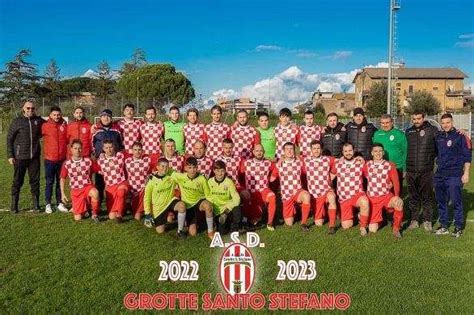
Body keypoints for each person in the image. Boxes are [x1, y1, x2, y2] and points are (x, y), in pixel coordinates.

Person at [434, 113, 471, 238]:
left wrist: (466, 173)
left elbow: (467, 156)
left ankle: (458, 227)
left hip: (455, 174)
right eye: (443, 123)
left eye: (448, 122)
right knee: (441, 201)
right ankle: (444, 226)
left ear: (452, 122)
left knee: (456, 201)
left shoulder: (460, 136)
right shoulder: (438, 136)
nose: (445, 125)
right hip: (440, 174)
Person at [7, 100, 44, 213]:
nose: (30, 110)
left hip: (34, 158)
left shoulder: (39, 121)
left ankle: (36, 205)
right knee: (17, 181)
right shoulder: (17, 122)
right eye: (28, 108)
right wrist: (10, 155)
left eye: (32, 108)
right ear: (23, 108)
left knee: (35, 181)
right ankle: (14, 205)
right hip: (20, 157)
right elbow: (9, 139)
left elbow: (52, 123)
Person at [405, 111, 438, 232]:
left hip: (426, 170)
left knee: (427, 197)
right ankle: (414, 220)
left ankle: (427, 221)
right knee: (413, 197)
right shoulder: (408, 132)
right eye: (414, 119)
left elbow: (440, 145)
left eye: (418, 118)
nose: (416, 121)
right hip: (411, 170)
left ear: (423, 118)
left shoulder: (432, 130)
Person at [363, 143, 404, 238]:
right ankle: (380, 220)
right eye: (376, 151)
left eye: (380, 151)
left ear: (383, 152)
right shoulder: (367, 165)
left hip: (386, 196)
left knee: (399, 203)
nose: (378, 153)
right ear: (372, 153)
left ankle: (396, 229)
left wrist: (397, 195)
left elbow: (396, 182)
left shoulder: (389, 165)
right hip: (372, 199)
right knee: (372, 230)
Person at [331, 143, 370, 236]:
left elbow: (371, 175)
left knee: (364, 201)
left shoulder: (360, 163)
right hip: (344, 199)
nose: (348, 153)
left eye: (350, 150)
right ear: (342, 152)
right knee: (346, 226)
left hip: (357, 195)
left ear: (353, 150)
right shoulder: (338, 163)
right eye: (346, 151)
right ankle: (358, 216)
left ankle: (363, 226)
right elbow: (330, 177)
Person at [171, 157, 215, 239]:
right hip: (188, 205)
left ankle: (210, 231)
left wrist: (212, 207)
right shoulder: (180, 177)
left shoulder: (202, 178)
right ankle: (185, 225)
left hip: (199, 202)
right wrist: (152, 175)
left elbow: (208, 195)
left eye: (194, 167)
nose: (192, 170)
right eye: (190, 168)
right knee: (193, 233)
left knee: (208, 206)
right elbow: (169, 172)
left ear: (197, 168)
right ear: (185, 168)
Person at [271, 142, 311, 231]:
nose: (289, 151)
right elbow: (272, 179)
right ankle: (296, 210)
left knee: (306, 196)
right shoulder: (278, 164)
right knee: (289, 223)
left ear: (294, 151)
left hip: (297, 191)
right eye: (287, 149)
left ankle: (303, 223)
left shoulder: (299, 162)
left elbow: (311, 163)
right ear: (283, 152)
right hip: (286, 195)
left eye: (291, 149)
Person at [143, 158, 187, 238]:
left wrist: (198, 175)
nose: (165, 168)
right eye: (162, 166)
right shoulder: (151, 181)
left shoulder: (172, 175)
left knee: (182, 206)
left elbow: (184, 177)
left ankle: (180, 231)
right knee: (160, 231)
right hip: (159, 208)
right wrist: (147, 213)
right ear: (157, 167)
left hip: (170, 201)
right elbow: (147, 198)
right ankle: (169, 218)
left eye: (167, 166)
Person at [60, 139, 100, 222]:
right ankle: (85, 208)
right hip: (76, 191)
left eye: (79, 148)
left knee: (95, 193)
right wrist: (62, 194)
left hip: (87, 187)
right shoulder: (67, 163)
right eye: (75, 148)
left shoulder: (88, 160)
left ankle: (95, 214)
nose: (78, 150)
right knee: (78, 218)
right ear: (71, 149)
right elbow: (62, 179)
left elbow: (98, 170)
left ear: (82, 149)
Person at [302, 140, 337, 234]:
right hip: (314, 194)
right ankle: (324, 214)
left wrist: (331, 178)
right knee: (319, 223)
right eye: (314, 149)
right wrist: (282, 158)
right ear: (311, 150)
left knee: (332, 197)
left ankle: (332, 226)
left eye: (318, 148)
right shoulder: (305, 160)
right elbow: (292, 158)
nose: (316, 150)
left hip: (326, 190)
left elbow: (340, 163)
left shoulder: (328, 159)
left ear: (321, 149)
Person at [240, 144, 277, 230]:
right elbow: (240, 175)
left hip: (263, 190)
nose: (259, 153)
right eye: (257, 151)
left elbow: (276, 170)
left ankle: (270, 223)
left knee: (272, 196)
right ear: (253, 152)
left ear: (264, 152)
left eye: (261, 151)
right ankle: (245, 220)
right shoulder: (246, 163)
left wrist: (272, 179)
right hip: (251, 191)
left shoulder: (268, 163)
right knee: (254, 220)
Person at [41, 106, 69, 214]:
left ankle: (59, 203)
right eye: (54, 115)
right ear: (50, 115)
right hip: (49, 159)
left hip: (62, 159)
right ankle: (48, 204)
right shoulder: (45, 126)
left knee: (59, 182)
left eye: (58, 115)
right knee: (49, 182)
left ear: (60, 115)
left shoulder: (64, 125)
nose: (56, 117)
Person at [91, 109, 123, 202]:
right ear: (100, 117)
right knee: (99, 183)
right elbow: (91, 144)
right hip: (100, 161)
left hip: (114, 161)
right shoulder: (95, 129)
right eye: (104, 116)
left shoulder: (117, 130)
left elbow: (121, 144)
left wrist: (117, 155)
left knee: (114, 182)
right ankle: (99, 203)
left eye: (108, 116)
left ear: (111, 118)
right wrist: (97, 154)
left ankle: (115, 202)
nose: (106, 118)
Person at [95, 139, 129, 222]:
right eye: (106, 148)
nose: (109, 149)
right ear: (103, 148)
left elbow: (134, 155)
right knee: (111, 216)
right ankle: (125, 206)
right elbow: (93, 169)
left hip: (121, 183)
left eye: (110, 147)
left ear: (114, 147)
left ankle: (120, 216)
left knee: (121, 192)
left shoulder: (121, 155)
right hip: (110, 188)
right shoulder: (100, 160)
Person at [207, 161, 242, 234]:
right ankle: (221, 223)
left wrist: (226, 211)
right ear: (214, 171)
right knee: (222, 232)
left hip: (227, 209)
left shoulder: (229, 182)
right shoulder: (210, 182)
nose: (220, 173)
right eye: (217, 171)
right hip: (216, 210)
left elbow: (236, 198)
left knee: (237, 209)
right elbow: (208, 196)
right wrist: (212, 209)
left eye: (222, 171)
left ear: (225, 171)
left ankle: (235, 227)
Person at [372, 114, 407, 186]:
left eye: (387, 122)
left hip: (397, 167)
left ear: (392, 122)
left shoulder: (399, 134)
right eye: (383, 123)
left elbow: (405, 151)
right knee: (383, 190)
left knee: (396, 191)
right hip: (381, 168)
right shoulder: (377, 134)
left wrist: (404, 169)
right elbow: (374, 151)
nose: (385, 125)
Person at [125, 142, 151, 221]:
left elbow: (152, 172)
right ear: (132, 151)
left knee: (137, 217)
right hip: (132, 188)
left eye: (139, 150)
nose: (137, 152)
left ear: (142, 151)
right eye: (135, 150)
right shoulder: (127, 161)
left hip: (143, 188)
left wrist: (147, 181)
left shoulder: (147, 160)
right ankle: (129, 205)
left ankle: (142, 209)